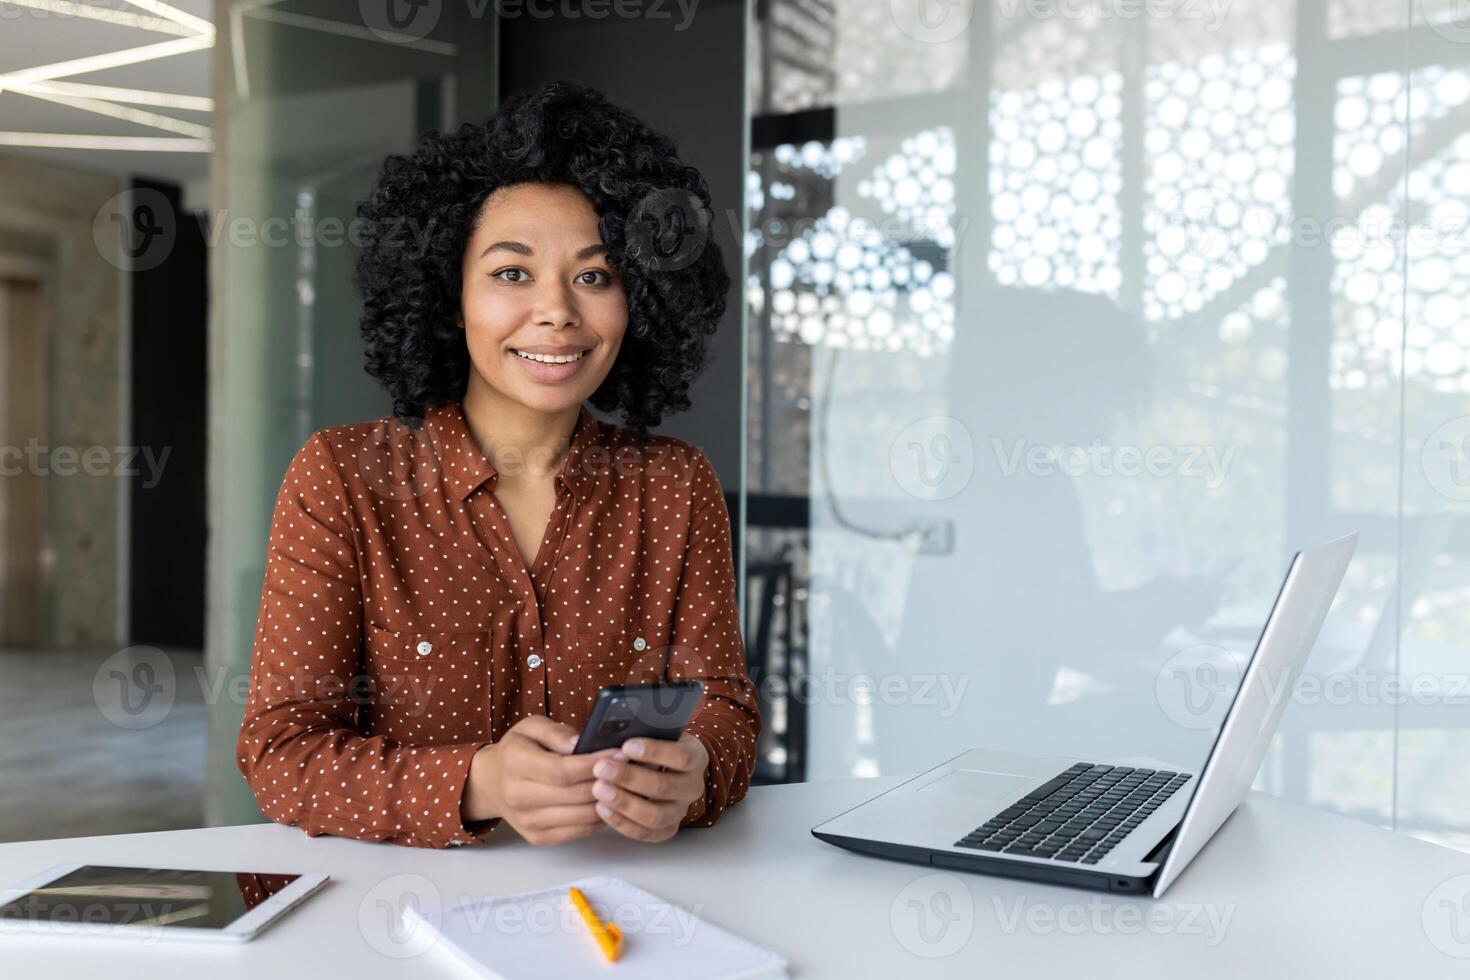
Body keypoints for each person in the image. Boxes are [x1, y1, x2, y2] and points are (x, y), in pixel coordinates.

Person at [236, 80, 759, 849]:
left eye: (595, 275)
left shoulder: (675, 487)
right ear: (450, 296)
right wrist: (478, 782)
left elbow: (727, 712)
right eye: (512, 273)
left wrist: (697, 771)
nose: (558, 311)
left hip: (621, 916)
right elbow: (280, 755)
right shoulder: (343, 480)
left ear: (639, 298)